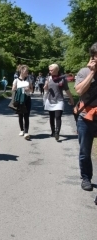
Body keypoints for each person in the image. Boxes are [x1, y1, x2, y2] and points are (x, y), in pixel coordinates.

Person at [74, 42, 97, 191]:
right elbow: (79, 91)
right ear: (93, 57)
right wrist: (92, 73)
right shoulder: (84, 71)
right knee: (85, 151)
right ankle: (86, 178)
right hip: (85, 117)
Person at [43, 63, 74, 141]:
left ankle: (57, 132)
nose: (50, 71)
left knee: (58, 116)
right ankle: (53, 131)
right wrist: (46, 85)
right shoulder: (49, 78)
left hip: (59, 100)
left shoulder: (63, 79)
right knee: (51, 117)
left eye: (52, 70)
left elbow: (67, 90)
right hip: (50, 100)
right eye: (49, 70)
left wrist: (71, 98)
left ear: (57, 70)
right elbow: (45, 89)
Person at [12, 65, 33, 140]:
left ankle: (26, 132)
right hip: (19, 99)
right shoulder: (16, 80)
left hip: (27, 98)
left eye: (27, 71)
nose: (27, 72)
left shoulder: (29, 79)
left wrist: (28, 89)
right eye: (26, 71)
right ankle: (21, 130)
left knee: (26, 115)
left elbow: (32, 90)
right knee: (20, 115)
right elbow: (13, 89)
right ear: (21, 71)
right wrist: (17, 88)